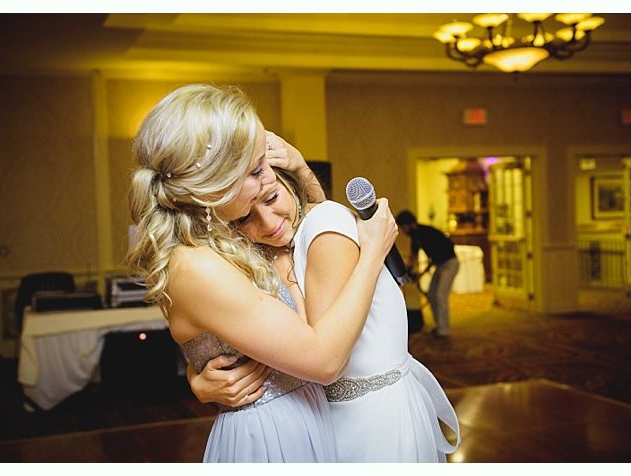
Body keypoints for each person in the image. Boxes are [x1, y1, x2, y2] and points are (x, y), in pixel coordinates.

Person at [126, 83, 399, 462]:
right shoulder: (198, 265)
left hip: (303, 420)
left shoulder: (223, 239)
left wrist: (302, 170)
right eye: (256, 170)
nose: (269, 176)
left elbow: (305, 248)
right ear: (214, 187)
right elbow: (323, 361)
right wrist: (373, 251)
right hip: (272, 438)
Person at [189, 169, 460, 462]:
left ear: (287, 182)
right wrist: (197, 379)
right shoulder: (251, 257)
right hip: (308, 423)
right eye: (245, 218)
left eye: (272, 197)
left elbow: (320, 357)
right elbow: (223, 332)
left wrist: (372, 253)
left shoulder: (324, 226)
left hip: (368, 422)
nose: (268, 223)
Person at [396, 209, 459, 338]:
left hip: (450, 263)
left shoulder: (421, 233)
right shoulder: (417, 234)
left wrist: (415, 271)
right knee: (431, 295)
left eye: (402, 227)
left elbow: (417, 257)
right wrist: (414, 272)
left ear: (406, 225)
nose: (403, 231)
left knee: (440, 296)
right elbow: (416, 257)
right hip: (441, 265)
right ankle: (439, 326)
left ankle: (443, 331)